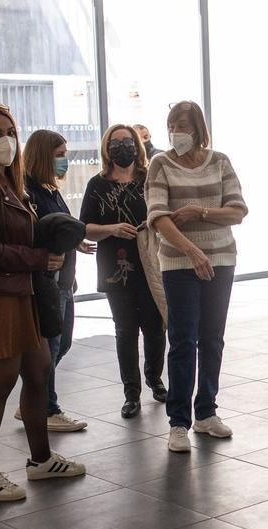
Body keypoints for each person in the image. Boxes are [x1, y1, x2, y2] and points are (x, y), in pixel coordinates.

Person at [0, 103, 85, 501]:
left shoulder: (8, 181)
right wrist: (38, 259)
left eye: (10, 131)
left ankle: (41, 460)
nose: (5, 140)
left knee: (38, 370)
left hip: (23, 292)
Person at [146, 101, 248, 453]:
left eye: (183, 124)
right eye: (171, 123)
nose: (176, 131)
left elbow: (237, 211)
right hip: (179, 263)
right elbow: (158, 217)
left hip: (221, 260)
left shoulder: (219, 161)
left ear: (198, 128)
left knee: (213, 338)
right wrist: (192, 250)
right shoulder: (160, 163)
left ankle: (206, 413)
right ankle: (178, 422)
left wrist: (200, 212)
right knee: (183, 340)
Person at [81, 124, 168, 418]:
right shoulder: (97, 184)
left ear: (137, 145)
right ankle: (131, 394)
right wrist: (112, 228)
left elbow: (165, 212)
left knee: (155, 327)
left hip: (152, 263)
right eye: (116, 143)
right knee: (125, 331)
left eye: (127, 142)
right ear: (107, 148)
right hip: (115, 267)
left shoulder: (149, 178)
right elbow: (86, 228)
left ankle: (155, 379)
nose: (122, 147)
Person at [18, 130, 89, 432]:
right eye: (59, 154)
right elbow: (33, 235)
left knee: (62, 344)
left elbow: (59, 228)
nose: (64, 161)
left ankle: (33, 403)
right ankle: (45, 407)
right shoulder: (28, 192)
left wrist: (76, 244)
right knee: (50, 348)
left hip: (63, 280)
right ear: (42, 156)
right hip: (48, 282)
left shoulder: (49, 189)